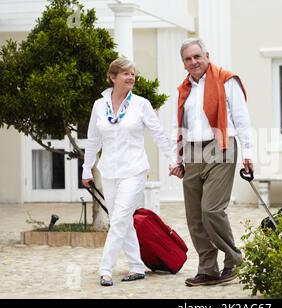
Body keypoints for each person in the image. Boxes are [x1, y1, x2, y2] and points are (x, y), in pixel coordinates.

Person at [82, 57, 177, 287]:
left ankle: (105, 268)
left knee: (120, 218)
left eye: (133, 73)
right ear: (113, 77)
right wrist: (87, 170)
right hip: (109, 170)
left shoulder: (141, 104)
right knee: (120, 220)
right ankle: (136, 266)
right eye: (126, 73)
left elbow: (158, 134)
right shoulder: (99, 105)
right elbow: (93, 140)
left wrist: (173, 159)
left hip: (134, 169)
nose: (131, 77)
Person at [169, 38, 253, 287]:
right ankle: (208, 269)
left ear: (207, 55)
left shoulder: (227, 80)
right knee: (195, 215)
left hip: (221, 146)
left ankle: (234, 261)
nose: (193, 62)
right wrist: (177, 158)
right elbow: (179, 124)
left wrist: (247, 155)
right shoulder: (184, 88)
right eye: (188, 58)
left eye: (197, 56)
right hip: (193, 151)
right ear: (183, 63)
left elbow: (242, 118)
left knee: (211, 209)